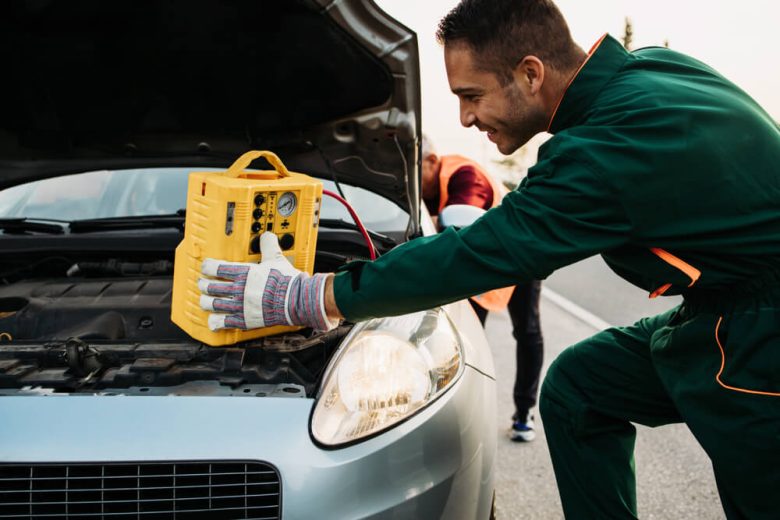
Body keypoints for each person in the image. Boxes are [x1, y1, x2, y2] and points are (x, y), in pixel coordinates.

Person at [197, 0, 780, 517]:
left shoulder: (608, 148)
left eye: (471, 96)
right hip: (722, 305)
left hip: (761, 334)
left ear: (530, 74)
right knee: (581, 386)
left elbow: (480, 252)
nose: (465, 120)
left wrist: (313, 295)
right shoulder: (650, 73)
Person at [421, 134, 544, 442]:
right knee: (468, 337)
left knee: (526, 330)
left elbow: (462, 227)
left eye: (415, 169)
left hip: (522, 251)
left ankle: (525, 411)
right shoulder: (426, 188)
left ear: (432, 161)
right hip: (484, 258)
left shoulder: (465, 174)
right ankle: (464, 415)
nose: (412, 180)